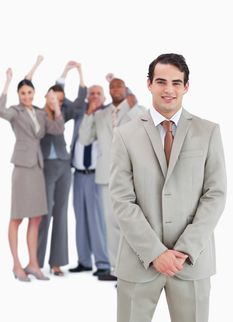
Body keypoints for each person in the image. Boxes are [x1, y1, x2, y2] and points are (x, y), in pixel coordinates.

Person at [109, 53, 227, 322]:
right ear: (149, 84)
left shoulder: (208, 132)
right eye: (161, 81)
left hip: (191, 263)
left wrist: (184, 249)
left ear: (187, 87)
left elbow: (216, 194)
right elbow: (122, 199)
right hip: (139, 262)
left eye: (176, 82)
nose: (168, 89)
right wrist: (154, 252)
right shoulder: (125, 135)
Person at [0, 67, 64, 282]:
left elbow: (57, 129)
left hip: (37, 167)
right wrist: (7, 83)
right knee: (17, 217)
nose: (26, 96)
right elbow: (0, 110)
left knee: (36, 217)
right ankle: (17, 265)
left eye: (29, 93)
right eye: (23, 93)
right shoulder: (14, 112)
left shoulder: (39, 113)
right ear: (19, 96)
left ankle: (33, 264)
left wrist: (55, 107)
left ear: (34, 94)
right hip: (21, 167)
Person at [79, 78, 146, 280]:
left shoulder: (137, 109)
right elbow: (84, 139)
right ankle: (118, 271)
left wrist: (133, 107)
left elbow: (145, 130)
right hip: (106, 177)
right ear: (109, 91)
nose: (115, 89)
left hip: (132, 176)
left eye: (119, 86)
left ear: (125, 89)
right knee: (111, 224)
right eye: (112, 86)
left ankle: (136, 268)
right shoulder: (100, 115)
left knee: (132, 223)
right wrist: (89, 114)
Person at [25, 58, 87, 276]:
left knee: (60, 213)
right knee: (44, 213)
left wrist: (77, 72)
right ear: (47, 97)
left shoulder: (64, 113)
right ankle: (35, 262)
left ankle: (56, 263)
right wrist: (37, 67)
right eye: (54, 99)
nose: (57, 103)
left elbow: (80, 101)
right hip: (45, 168)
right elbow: (26, 87)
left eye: (60, 100)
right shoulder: (37, 113)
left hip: (63, 166)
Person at [62, 69, 111, 277]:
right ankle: (83, 260)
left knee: (98, 219)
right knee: (80, 217)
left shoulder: (109, 113)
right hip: (78, 174)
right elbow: (62, 102)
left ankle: (103, 262)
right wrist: (66, 74)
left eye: (98, 93)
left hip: (97, 176)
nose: (93, 97)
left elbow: (128, 103)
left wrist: (113, 81)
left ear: (105, 97)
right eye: (91, 93)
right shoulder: (80, 112)